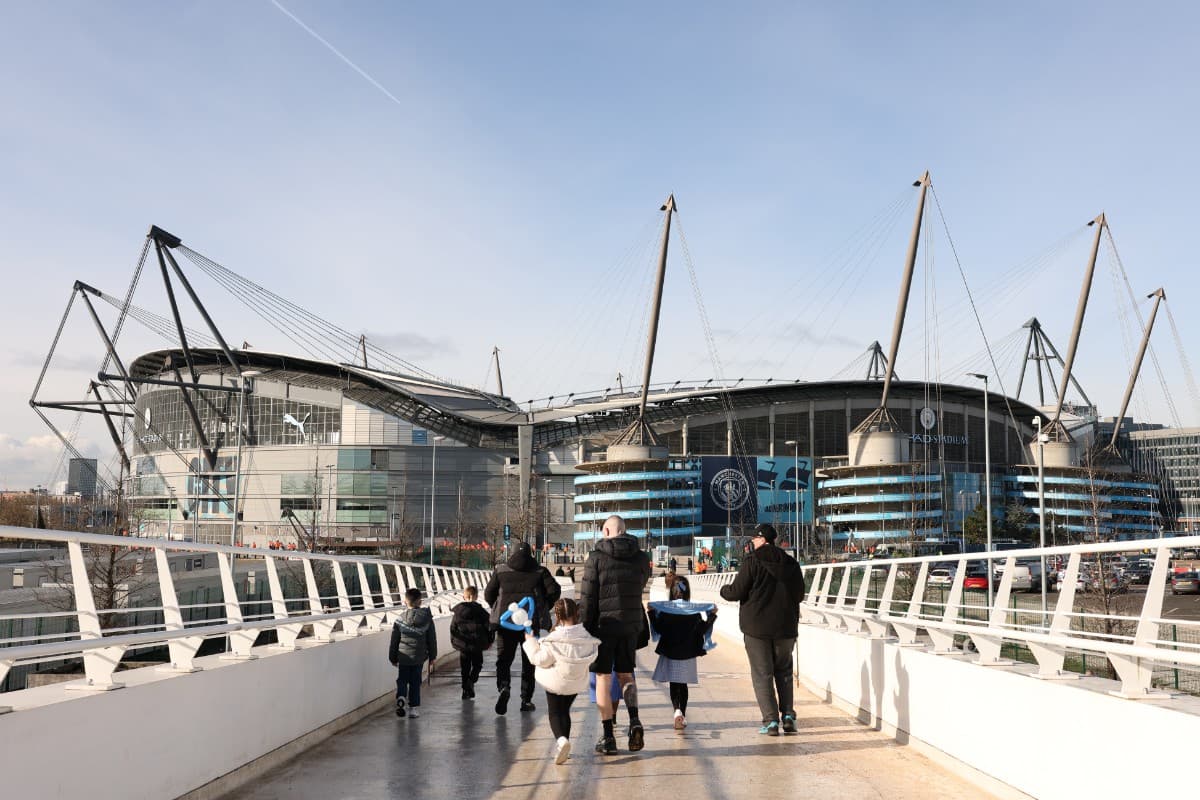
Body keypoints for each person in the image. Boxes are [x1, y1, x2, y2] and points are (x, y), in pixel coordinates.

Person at [719, 523, 805, 736]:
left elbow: (735, 592)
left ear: (761, 539)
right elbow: (800, 595)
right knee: (784, 672)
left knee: (762, 674)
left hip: (757, 629)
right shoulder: (791, 563)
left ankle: (771, 721)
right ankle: (788, 716)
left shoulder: (753, 561)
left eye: (754, 539)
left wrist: (724, 589)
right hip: (786, 628)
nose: (752, 542)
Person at [578, 514, 652, 755]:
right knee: (626, 674)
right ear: (624, 530)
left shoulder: (596, 558)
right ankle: (635, 720)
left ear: (606, 532)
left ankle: (608, 736)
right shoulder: (641, 558)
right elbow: (641, 585)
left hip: (603, 627)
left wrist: (585, 630)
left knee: (602, 678)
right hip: (630, 624)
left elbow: (588, 598)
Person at [485, 540, 562, 715]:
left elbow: (488, 593)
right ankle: (526, 700)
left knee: (504, 659)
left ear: (511, 553)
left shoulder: (500, 571)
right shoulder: (540, 571)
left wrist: (500, 608)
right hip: (530, 624)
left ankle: (504, 687)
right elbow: (554, 591)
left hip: (506, 623)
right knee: (529, 661)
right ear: (531, 554)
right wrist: (543, 606)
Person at [522, 598, 601, 765]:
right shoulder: (586, 637)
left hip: (556, 682)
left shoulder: (554, 639)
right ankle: (565, 746)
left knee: (555, 713)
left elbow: (539, 659)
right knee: (564, 711)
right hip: (576, 683)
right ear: (576, 613)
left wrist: (530, 641)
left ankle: (561, 741)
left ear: (557, 615)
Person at [648, 574, 716, 731]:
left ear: (672, 591)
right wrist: (712, 616)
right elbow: (701, 629)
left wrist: (651, 613)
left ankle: (676, 711)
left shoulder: (666, 610)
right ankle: (682, 714)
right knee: (683, 684)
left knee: (674, 683)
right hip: (688, 653)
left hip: (671, 652)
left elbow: (659, 628)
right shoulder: (693, 611)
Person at [388, 587, 437, 719]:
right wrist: (432, 656)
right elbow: (432, 639)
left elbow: (394, 640)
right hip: (419, 657)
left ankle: (402, 697)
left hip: (403, 657)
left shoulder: (399, 619)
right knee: (415, 681)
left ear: (405, 602)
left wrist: (392, 657)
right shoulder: (427, 619)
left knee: (402, 679)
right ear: (420, 602)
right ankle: (413, 709)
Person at [450, 585, 492, 700]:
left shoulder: (458, 612)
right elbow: (489, 627)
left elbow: (453, 628)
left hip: (463, 645)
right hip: (477, 644)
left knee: (465, 668)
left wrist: (454, 641)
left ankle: (465, 690)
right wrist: (489, 641)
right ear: (476, 596)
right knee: (477, 665)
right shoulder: (481, 611)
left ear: (465, 596)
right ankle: (471, 681)